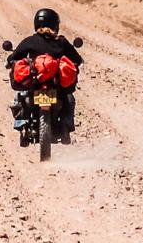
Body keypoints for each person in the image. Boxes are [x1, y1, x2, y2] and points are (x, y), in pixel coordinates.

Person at [5, 8, 84, 143]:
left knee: (20, 97)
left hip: (34, 84)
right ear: (55, 25)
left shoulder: (30, 41)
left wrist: (10, 60)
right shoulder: (62, 42)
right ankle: (65, 130)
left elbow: (15, 56)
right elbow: (77, 59)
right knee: (69, 99)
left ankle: (22, 126)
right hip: (57, 86)